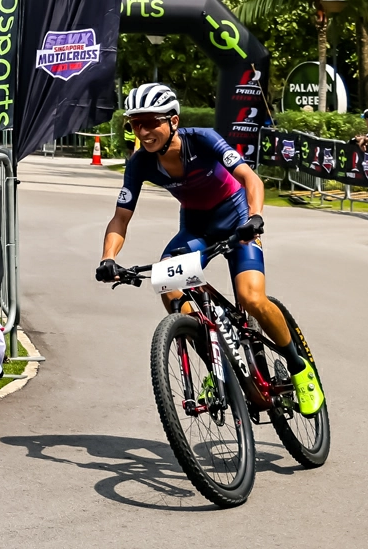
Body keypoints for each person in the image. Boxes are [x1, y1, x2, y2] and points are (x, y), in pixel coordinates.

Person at [93, 83, 321, 415]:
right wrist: (108, 258)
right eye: (135, 123)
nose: (143, 131)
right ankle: (218, 367)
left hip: (238, 219)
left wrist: (255, 218)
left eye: (150, 122)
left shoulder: (202, 139)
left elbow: (250, 179)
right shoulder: (140, 163)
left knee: (251, 299)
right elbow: (120, 218)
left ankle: (299, 369)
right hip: (196, 227)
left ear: (173, 120)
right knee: (167, 284)